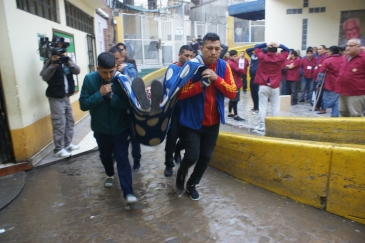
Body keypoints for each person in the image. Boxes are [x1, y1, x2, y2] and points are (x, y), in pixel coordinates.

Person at [175, 33, 237, 200]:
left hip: (213, 122)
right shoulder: (191, 66)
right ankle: (181, 173)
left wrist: (216, 79)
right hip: (191, 121)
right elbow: (180, 93)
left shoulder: (224, 66)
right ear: (201, 49)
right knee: (191, 156)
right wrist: (200, 84)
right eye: (209, 48)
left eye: (217, 48)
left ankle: (192, 184)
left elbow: (232, 92)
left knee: (206, 157)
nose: (214, 52)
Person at [79, 52, 138, 204]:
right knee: (105, 157)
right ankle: (110, 174)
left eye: (111, 71)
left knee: (122, 158)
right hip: (101, 129)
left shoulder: (121, 80)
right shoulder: (89, 79)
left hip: (120, 128)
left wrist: (113, 98)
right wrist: (99, 94)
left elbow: (129, 104)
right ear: (97, 68)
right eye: (104, 72)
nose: (108, 75)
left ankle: (128, 193)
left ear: (116, 67)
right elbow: (83, 104)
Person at [40, 39, 80, 158]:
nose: (60, 51)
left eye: (62, 48)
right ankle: (58, 149)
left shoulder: (66, 60)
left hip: (66, 97)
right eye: (58, 48)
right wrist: (52, 64)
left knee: (69, 121)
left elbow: (77, 71)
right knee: (59, 123)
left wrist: (69, 62)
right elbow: (44, 77)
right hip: (55, 98)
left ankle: (67, 145)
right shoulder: (49, 62)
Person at [163, 45, 194, 177]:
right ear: (179, 55)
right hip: (174, 112)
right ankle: (169, 165)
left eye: (191, 56)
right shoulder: (173, 68)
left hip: (189, 111)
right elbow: (170, 86)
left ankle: (177, 151)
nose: (189, 58)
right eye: (186, 55)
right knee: (171, 139)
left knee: (189, 139)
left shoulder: (193, 68)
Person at [109, 46, 141, 171]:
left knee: (134, 137)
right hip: (117, 111)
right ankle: (116, 157)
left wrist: (125, 69)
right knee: (117, 136)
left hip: (131, 110)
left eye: (117, 58)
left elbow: (135, 79)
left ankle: (137, 160)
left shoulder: (129, 67)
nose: (115, 61)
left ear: (122, 57)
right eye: (113, 59)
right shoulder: (109, 71)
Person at [253, 42, 290, 132]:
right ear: (276, 50)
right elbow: (288, 50)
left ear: (268, 50)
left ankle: (261, 126)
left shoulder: (262, 57)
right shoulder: (279, 58)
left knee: (262, 106)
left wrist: (266, 44)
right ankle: (275, 126)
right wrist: (280, 45)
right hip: (275, 86)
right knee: (275, 106)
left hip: (263, 85)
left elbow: (256, 48)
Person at [336, 38, 365, 117]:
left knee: (356, 115)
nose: (348, 48)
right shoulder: (345, 57)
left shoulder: (363, 58)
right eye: (347, 46)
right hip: (343, 91)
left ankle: (359, 130)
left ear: (358, 47)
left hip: (356, 94)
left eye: (351, 46)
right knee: (343, 113)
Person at [316, 46, 342, 116]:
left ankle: (328, 111)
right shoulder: (343, 59)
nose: (327, 53)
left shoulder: (327, 60)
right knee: (337, 102)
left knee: (328, 100)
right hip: (341, 84)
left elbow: (321, 74)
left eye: (328, 52)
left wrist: (318, 84)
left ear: (331, 52)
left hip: (330, 84)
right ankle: (335, 115)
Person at [227, 50, 246, 121]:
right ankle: (236, 115)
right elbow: (239, 70)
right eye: (234, 56)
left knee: (232, 99)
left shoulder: (231, 62)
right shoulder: (232, 63)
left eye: (236, 56)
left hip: (233, 82)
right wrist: (243, 70)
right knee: (235, 99)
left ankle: (229, 112)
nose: (236, 57)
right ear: (231, 56)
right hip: (235, 83)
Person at [312, 45, 328, 111]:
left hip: (321, 79)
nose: (318, 50)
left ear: (324, 50)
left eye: (320, 49)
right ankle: (317, 106)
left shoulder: (325, 58)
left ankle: (323, 108)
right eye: (318, 49)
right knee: (317, 93)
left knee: (322, 94)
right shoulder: (318, 57)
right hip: (315, 78)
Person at [246, 47, 260, 114]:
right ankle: (254, 107)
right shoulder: (252, 56)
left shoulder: (260, 56)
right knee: (253, 93)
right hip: (252, 78)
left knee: (257, 94)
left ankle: (258, 108)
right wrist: (255, 48)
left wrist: (259, 49)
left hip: (257, 78)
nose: (255, 51)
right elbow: (247, 50)